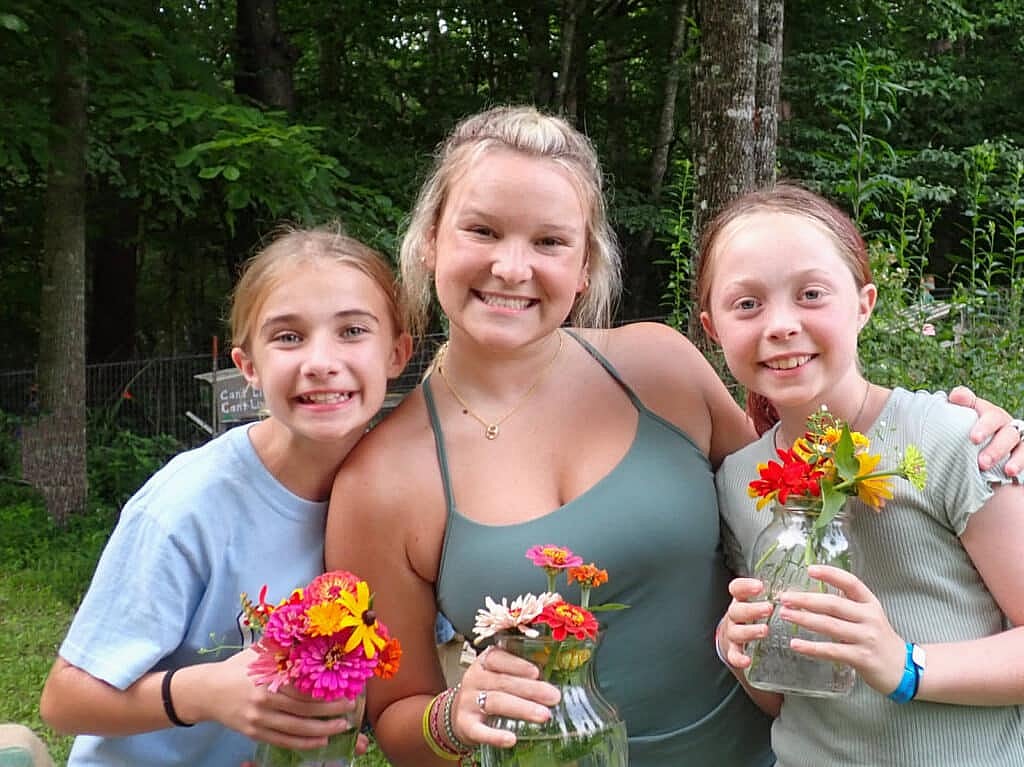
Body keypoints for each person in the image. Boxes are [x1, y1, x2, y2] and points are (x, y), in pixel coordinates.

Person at [323, 106, 1024, 766]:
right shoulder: (380, 480)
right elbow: (389, 716)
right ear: (429, 240)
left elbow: (798, 458)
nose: (513, 267)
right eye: (482, 231)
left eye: (549, 241)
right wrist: (453, 714)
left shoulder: (659, 368)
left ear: (586, 265)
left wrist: (966, 429)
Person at [39, 228, 413, 766]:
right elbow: (63, 699)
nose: (320, 361)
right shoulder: (186, 507)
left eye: (352, 330)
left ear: (397, 353)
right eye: (288, 337)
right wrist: (206, 693)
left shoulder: (402, 498)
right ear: (249, 368)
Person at [701, 185, 1024, 765]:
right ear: (712, 328)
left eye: (811, 294)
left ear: (864, 303)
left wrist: (905, 665)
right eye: (746, 304)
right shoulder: (738, 481)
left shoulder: (954, 440)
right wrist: (741, 650)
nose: (780, 325)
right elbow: (783, 700)